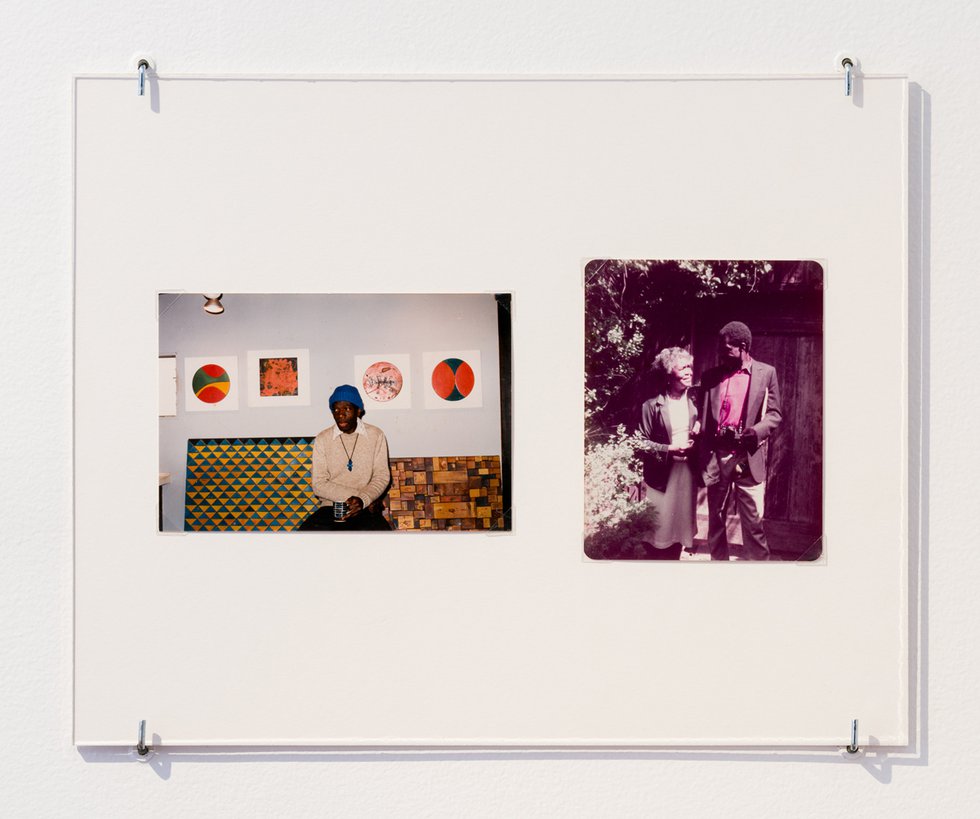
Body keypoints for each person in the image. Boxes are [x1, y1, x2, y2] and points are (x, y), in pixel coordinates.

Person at [699, 321, 782, 560]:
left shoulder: (766, 373)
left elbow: (774, 414)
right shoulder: (711, 377)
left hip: (747, 457)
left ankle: (758, 574)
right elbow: (703, 416)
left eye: (726, 350)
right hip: (718, 458)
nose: (721, 355)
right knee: (715, 520)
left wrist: (756, 431)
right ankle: (719, 568)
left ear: (743, 347)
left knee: (754, 523)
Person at [298, 384, 392, 531]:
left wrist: (363, 501)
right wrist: (361, 498)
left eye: (346, 408)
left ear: (358, 410)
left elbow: (382, 476)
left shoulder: (376, 435)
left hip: (365, 509)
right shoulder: (323, 438)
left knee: (384, 543)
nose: (340, 414)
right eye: (336, 409)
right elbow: (318, 484)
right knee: (302, 540)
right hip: (331, 507)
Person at [637, 347, 700, 560]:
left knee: (678, 529)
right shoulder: (652, 405)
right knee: (659, 529)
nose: (689, 371)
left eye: (690, 367)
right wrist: (669, 449)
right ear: (668, 372)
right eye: (683, 367)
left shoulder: (695, 402)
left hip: (686, 475)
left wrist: (699, 428)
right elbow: (641, 443)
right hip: (661, 476)